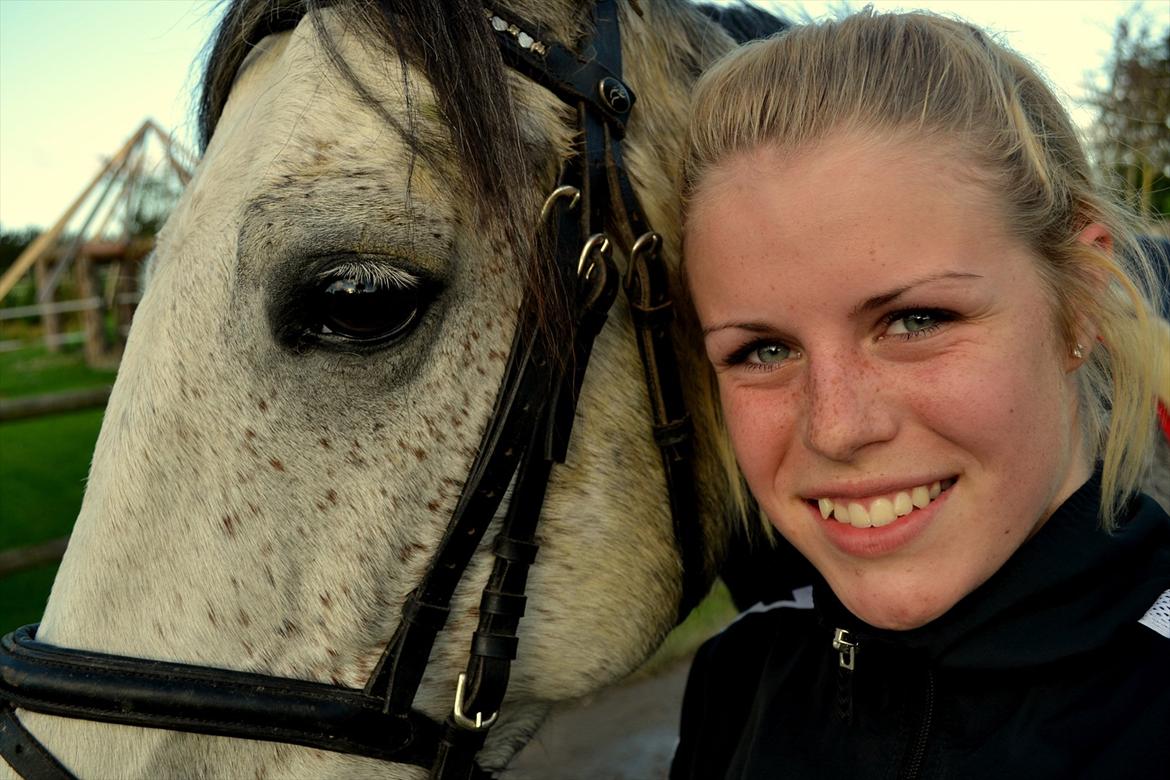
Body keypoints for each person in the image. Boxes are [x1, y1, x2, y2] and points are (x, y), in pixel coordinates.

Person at [672, 10, 1170, 778]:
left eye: (916, 320)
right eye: (763, 350)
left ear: (1082, 302)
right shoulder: (740, 680)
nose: (836, 427)